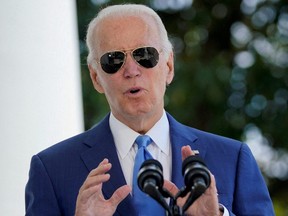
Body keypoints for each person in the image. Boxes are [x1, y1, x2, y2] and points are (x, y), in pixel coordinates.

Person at [25, 4, 275, 216]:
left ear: (168, 66)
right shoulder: (51, 169)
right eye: (113, 60)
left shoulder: (233, 158)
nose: (131, 70)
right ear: (96, 77)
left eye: (145, 55)